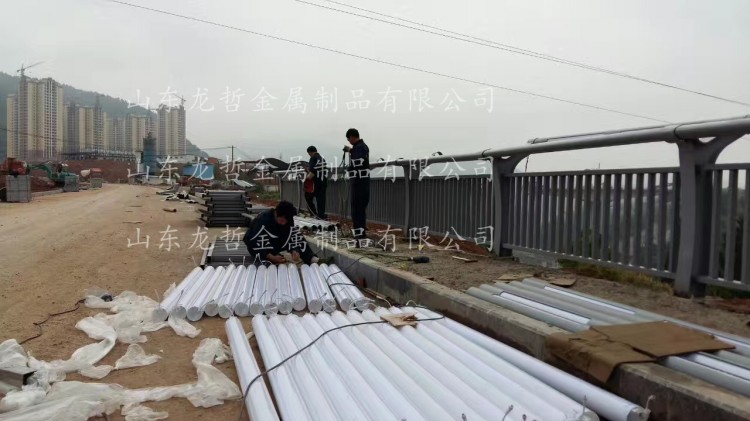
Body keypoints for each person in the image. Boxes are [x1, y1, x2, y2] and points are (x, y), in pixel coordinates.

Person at [242, 200, 323, 265]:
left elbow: (290, 236)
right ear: (277, 213)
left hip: (275, 244)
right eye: (282, 220)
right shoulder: (263, 220)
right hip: (261, 248)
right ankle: (268, 258)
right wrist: (271, 257)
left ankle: (312, 259)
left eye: (286, 220)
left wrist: (294, 250)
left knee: (297, 236)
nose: (284, 223)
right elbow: (249, 240)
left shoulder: (287, 220)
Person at [343, 128, 370, 245]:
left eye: (349, 138)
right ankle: (359, 233)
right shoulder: (360, 147)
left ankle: (359, 235)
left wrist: (351, 151)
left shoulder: (360, 147)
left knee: (358, 209)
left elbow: (357, 162)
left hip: (360, 183)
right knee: (358, 209)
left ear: (353, 137)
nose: (349, 141)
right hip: (360, 182)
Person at [304, 145, 327, 219]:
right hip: (323, 181)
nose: (309, 155)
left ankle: (313, 213)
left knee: (308, 197)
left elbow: (312, 171)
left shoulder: (313, 158)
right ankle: (321, 215)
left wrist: (307, 171)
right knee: (321, 199)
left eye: (309, 153)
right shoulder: (322, 159)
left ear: (310, 152)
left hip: (316, 182)